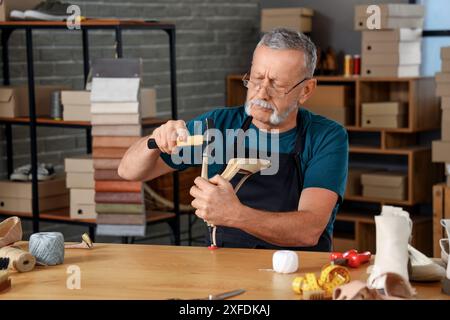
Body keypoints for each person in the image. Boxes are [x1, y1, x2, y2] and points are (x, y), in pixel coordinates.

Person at [118, 28, 348, 251]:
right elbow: (129, 171)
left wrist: (234, 214)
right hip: (225, 268)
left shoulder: (325, 137)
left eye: (277, 85)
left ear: (306, 90)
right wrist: (155, 141)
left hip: (299, 272)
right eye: (257, 79)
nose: (261, 93)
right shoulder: (218, 126)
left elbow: (308, 230)